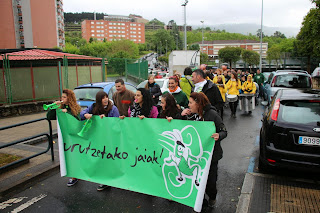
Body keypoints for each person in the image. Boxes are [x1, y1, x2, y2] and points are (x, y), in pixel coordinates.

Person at [181, 92, 227, 208]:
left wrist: (219, 135)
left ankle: (212, 196)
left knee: (210, 182)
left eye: (191, 103)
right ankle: (201, 203)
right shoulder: (192, 115)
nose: (189, 105)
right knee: (197, 180)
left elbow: (224, 131)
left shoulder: (212, 114)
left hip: (211, 156)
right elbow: (181, 127)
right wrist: (180, 116)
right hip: (196, 155)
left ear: (198, 103)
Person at [80, 91, 120, 191]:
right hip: (97, 138)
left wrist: (106, 120)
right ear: (99, 100)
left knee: (108, 158)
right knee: (100, 158)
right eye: (103, 98)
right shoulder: (93, 107)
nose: (106, 99)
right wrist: (86, 115)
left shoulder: (113, 109)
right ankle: (104, 179)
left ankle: (109, 180)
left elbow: (117, 124)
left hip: (109, 139)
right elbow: (81, 113)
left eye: (106, 97)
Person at [46, 89, 81, 187]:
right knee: (68, 156)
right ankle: (74, 175)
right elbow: (49, 116)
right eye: (61, 97)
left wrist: (68, 112)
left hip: (73, 137)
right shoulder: (60, 107)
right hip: (64, 137)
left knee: (74, 156)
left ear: (69, 98)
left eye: (64, 97)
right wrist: (54, 107)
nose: (62, 99)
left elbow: (77, 121)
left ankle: (76, 175)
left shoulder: (76, 108)